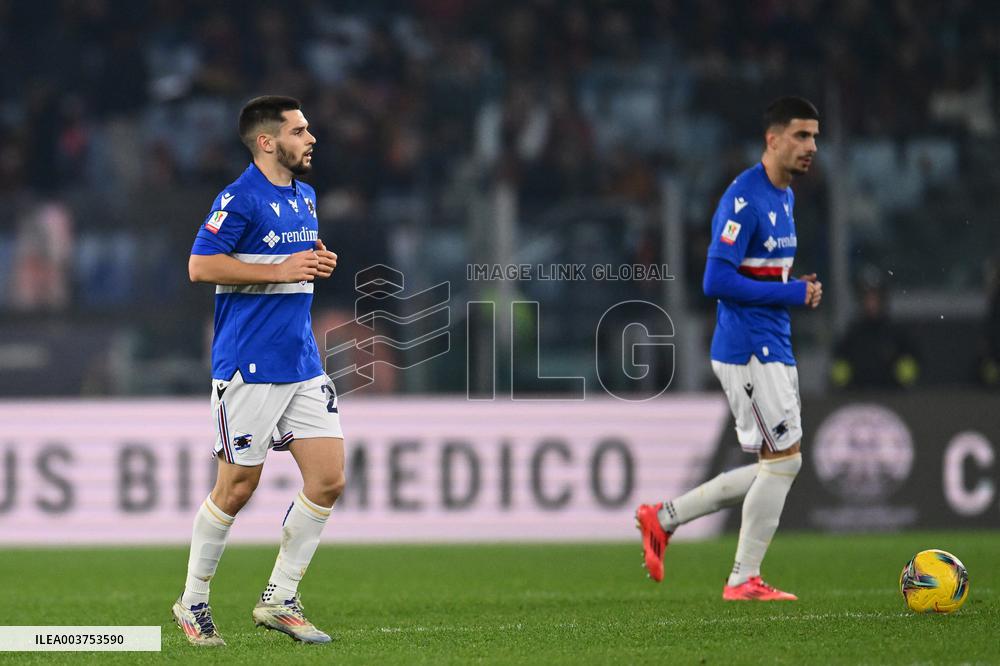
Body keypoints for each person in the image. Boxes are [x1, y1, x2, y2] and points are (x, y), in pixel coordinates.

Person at [173, 95, 345, 645]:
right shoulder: (239, 198)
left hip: (301, 361)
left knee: (329, 478)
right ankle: (192, 603)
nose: (310, 138)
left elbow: (291, 262)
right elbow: (201, 265)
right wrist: (282, 269)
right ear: (267, 141)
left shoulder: (306, 196)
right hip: (249, 365)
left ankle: (280, 598)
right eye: (299, 130)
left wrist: (314, 261)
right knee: (237, 487)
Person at [636, 96, 822, 601]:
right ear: (773, 138)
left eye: (815, 137)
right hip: (748, 348)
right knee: (783, 463)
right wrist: (789, 293)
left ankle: (664, 518)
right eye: (801, 136)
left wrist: (793, 285)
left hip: (772, 343)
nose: (811, 147)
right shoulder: (745, 198)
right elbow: (715, 278)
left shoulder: (784, 197)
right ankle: (742, 579)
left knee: (777, 464)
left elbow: (759, 272)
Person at [830, 275, 919, 390]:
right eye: (867, 298)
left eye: (875, 298)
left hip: (893, 400)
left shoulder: (897, 335)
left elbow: (914, 368)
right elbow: (838, 372)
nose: (871, 304)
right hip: (859, 401)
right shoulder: (852, 336)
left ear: (883, 300)